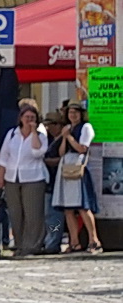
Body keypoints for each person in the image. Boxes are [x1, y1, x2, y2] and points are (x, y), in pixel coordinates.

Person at [0, 99, 49, 258]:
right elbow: (3, 157)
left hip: (33, 177)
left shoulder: (41, 136)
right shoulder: (12, 134)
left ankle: (32, 245)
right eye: (26, 117)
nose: (29, 120)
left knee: (33, 214)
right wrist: (1, 177)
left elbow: (37, 153)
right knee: (16, 213)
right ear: (20, 118)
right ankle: (20, 244)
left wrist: (34, 132)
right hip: (13, 177)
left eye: (32, 117)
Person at [52, 101, 101, 253]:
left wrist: (70, 137)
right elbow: (61, 152)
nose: (73, 115)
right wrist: (65, 137)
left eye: (76, 112)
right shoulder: (68, 129)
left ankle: (94, 241)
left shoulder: (86, 128)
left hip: (78, 166)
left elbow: (82, 148)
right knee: (68, 208)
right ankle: (74, 242)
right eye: (70, 113)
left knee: (82, 206)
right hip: (66, 165)